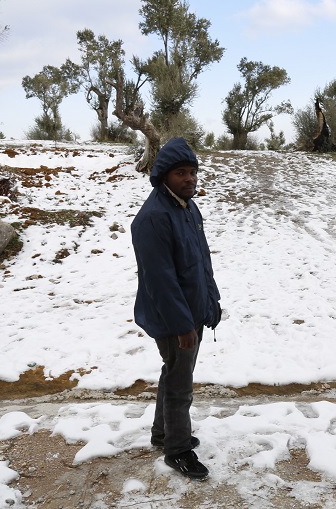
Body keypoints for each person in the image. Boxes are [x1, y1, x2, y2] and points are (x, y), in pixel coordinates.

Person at [131, 137, 221, 480]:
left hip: (192, 310)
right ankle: (178, 449)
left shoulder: (187, 207)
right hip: (171, 318)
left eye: (193, 171)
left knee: (173, 373)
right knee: (180, 383)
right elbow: (161, 282)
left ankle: (163, 433)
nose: (190, 178)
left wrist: (211, 301)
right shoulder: (153, 218)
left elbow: (201, 261)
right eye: (181, 173)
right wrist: (183, 326)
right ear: (164, 176)